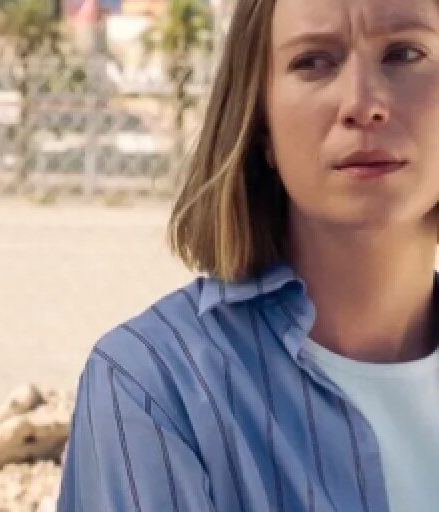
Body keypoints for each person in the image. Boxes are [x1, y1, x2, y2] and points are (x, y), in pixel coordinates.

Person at [59, 0, 439, 509]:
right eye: (313, 61)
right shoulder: (154, 388)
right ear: (261, 124)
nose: (362, 103)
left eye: (405, 53)